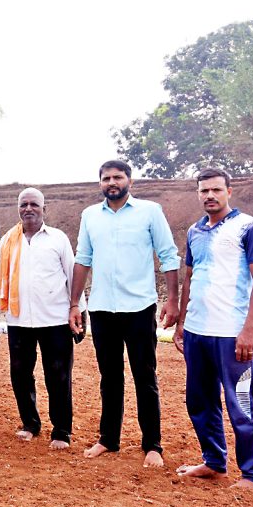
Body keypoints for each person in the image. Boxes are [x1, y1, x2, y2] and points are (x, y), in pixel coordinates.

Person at [70, 159, 180, 468]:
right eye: (106, 178)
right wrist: (74, 303)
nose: (112, 182)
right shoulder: (90, 216)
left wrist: (172, 301)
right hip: (103, 308)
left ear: (129, 180)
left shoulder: (149, 212)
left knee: (145, 377)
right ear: (100, 183)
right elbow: (83, 258)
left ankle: (152, 445)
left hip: (140, 309)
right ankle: (108, 439)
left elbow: (169, 255)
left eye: (117, 177)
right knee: (110, 377)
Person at [173, 168, 253, 489]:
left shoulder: (250, 227)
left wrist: (250, 329)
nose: (209, 196)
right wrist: (183, 323)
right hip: (198, 332)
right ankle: (214, 462)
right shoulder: (194, 231)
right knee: (199, 401)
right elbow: (191, 278)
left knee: (241, 403)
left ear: (230, 191)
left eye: (216, 190)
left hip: (232, 334)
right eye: (204, 191)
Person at [0, 188, 80, 449]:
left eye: (34, 204)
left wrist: (78, 310)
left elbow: (73, 277)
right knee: (20, 374)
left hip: (55, 320)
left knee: (58, 376)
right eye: (24, 204)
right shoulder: (8, 241)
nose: (28, 208)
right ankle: (30, 424)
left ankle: (61, 431)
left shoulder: (58, 239)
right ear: (19, 209)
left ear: (44, 209)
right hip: (19, 321)